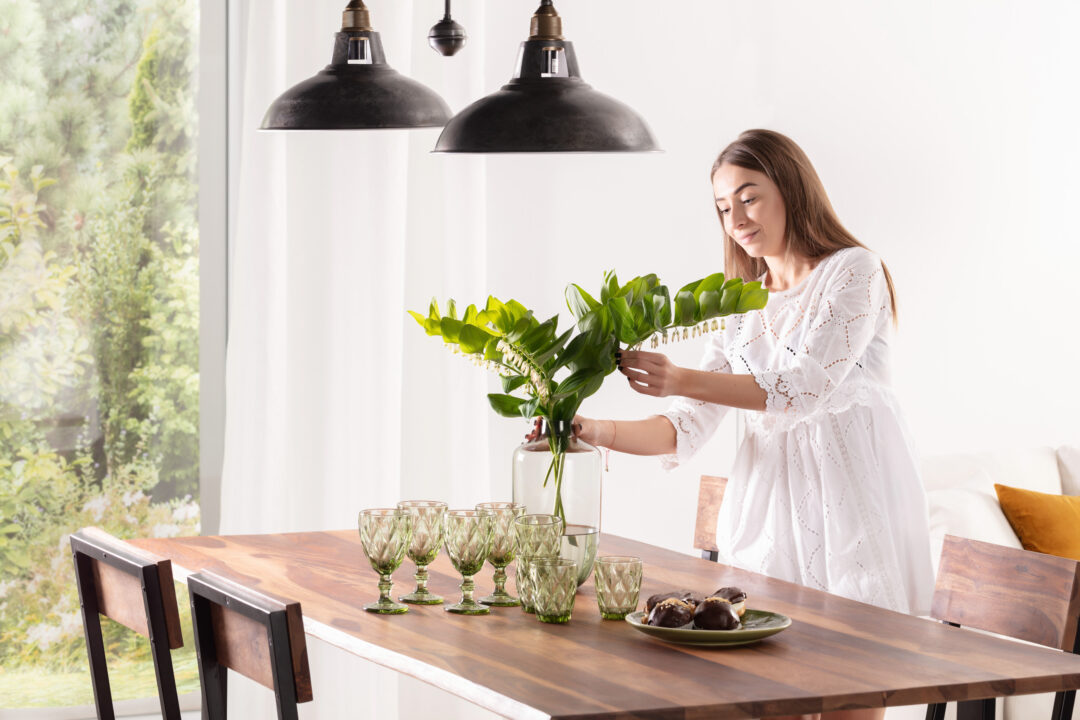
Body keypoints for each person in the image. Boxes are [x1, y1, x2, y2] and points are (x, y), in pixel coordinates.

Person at [574, 129, 934, 720]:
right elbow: (683, 425)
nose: (735, 217)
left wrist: (681, 377)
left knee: (852, 688)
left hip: (851, 510)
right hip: (771, 520)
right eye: (722, 206)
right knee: (768, 692)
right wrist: (590, 429)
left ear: (791, 189)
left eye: (749, 196)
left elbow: (803, 387)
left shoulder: (854, 271)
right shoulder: (741, 304)